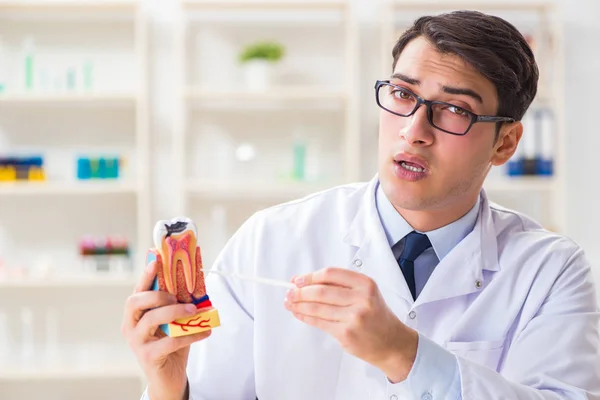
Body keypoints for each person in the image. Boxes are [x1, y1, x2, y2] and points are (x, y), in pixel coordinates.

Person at [122, 9, 600, 400]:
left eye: (454, 109)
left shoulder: (550, 271)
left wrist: (406, 356)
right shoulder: (270, 239)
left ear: (506, 142)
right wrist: (169, 388)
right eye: (403, 94)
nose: (415, 129)